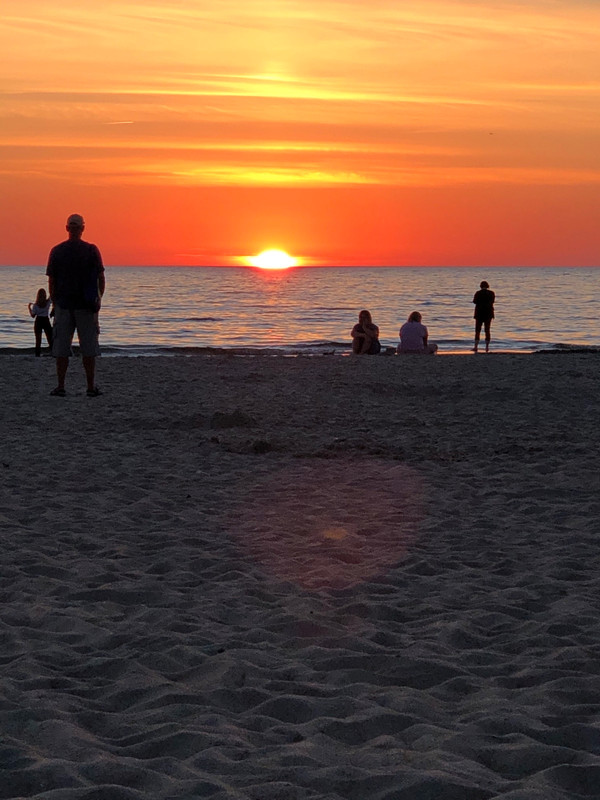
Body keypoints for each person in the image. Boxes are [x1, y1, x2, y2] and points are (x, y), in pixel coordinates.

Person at [46, 213, 105, 396]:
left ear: (67, 228)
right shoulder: (91, 250)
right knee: (88, 348)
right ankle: (90, 386)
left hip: (64, 305)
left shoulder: (57, 250)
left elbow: (52, 282)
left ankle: (61, 386)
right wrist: (98, 299)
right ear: (82, 229)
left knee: (61, 348)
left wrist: (54, 302)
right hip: (86, 306)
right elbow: (101, 279)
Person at [28, 288, 53, 356]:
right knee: (49, 337)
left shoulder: (35, 305)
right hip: (45, 320)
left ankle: (37, 354)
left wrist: (29, 308)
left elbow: (33, 315)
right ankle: (53, 351)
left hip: (38, 321)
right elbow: (52, 295)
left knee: (38, 339)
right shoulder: (48, 302)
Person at [473, 280, 495, 353]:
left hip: (479, 314)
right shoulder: (491, 293)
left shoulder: (478, 293)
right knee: (487, 330)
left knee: (477, 330)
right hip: (488, 314)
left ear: (481, 286)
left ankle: (476, 347)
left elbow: (474, 301)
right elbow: (492, 301)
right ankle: (487, 347)